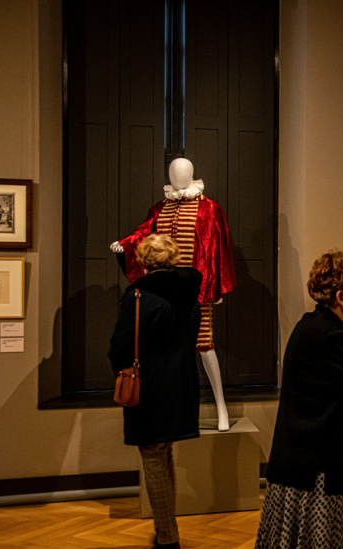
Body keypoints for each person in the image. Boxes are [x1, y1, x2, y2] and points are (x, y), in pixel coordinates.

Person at [256, 250, 343, 549]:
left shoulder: (311, 327)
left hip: (302, 462)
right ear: (342, 297)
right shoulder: (333, 337)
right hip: (321, 470)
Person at [110, 157, 235, 431]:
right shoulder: (160, 208)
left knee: (204, 345)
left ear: (192, 174)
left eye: (183, 173)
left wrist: (213, 287)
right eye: (174, 173)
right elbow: (144, 233)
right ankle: (179, 412)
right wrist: (125, 244)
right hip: (161, 293)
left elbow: (216, 247)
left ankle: (221, 407)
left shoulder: (209, 209)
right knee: (168, 349)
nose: (178, 177)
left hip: (194, 288)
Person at [108, 234, 202, 549]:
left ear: (144, 261)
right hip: (183, 382)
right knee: (164, 453)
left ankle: (168, 537)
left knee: (153, 456)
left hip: (151, 384)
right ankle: (167, 531)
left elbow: (121, 346)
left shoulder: (138, 296)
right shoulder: (190, 292)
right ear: (173, 258)